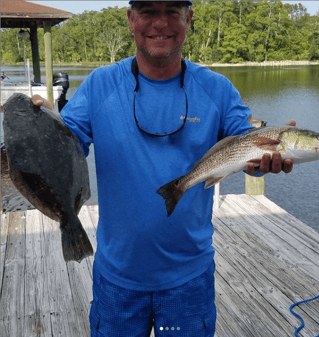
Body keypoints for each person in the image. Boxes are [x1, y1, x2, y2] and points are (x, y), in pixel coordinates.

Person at [32, 1, 294, 336]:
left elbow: (246, 151)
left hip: (189, 276)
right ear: (131, 19)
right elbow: (65, 150)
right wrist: (41, 126)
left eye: (172, 11)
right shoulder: (100, 86)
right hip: (118, 277)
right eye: (148, 11)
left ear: (189, 18)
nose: (160, 23)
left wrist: (268, 159)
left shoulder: (217, 89)